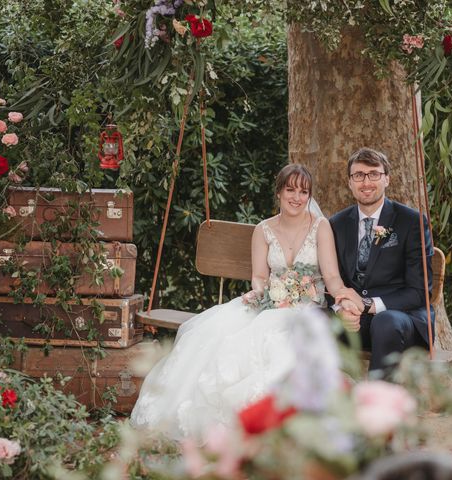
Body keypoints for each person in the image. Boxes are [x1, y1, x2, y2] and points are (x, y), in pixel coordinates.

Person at [130, 164, 359, 441]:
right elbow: (259, 276)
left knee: (274, 338)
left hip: (306, 308)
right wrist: (269, 293)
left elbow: (332, 277)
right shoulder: (263, 230)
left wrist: (344, 294)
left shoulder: (320, 227)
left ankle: (275, 420)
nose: (297, 197)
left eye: (303, 192)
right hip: (270, 302)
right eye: (290, 190)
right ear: (279, 192)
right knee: (216, 332)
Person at [330, 147, 434, 372]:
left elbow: (420, 292)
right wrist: (342, 308)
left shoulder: (411, 222)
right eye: (358, 175)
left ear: (387, 179)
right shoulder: (336, 224)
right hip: (355, 321)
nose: (366, 182)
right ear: (349, 182)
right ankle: (323, 402)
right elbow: (331, 278)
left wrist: (367, 305)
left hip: (400, 319)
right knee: (311, 317)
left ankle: (380, 402)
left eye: (374, 174)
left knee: (385, 322)